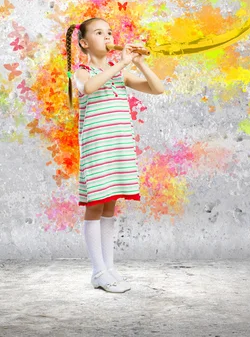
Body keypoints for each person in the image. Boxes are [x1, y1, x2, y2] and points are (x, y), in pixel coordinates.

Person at [65, 17, 165, 293]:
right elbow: (89, 88)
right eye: (99, 33)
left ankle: (109, 268)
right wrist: (121, 63)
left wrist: (139, 61)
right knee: (95, 205)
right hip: (97, 148)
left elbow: (158, 88)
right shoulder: (82, 70)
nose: (107, 37)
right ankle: (98, 271)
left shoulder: (119, 72)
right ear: (84, 43)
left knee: (110, 205)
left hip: (118, 147)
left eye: (109, 32)